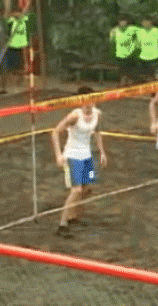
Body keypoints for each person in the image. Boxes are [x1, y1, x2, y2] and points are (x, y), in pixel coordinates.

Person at [52, 86, 107, 237]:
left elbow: (97, 132)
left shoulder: (97, 114)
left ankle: (74, 217)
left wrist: (102, 152)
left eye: (91, 100)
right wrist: (59, 155)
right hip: (72, 156)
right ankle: (62, 225)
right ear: (80, 101)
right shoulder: (74, 116)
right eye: (85, 101)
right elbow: (55, 132)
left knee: (87, 189)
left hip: (86, 156)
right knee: (76, 190)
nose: (89, 103)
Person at [109, 14, 138, 86]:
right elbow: (112, 42)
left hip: (130, 53)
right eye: (121, 21)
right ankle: (122, 83)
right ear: (118, 22)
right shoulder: (114, 30)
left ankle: (130, 83)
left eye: (124, 21)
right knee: (122, 70)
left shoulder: (132, 29)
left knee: (130, 70)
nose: (123, 23)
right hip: (120, 54)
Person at [6, 10, 32, 90]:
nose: (17, 14)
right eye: (15, 13)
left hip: (22, 45)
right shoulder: (11, 20)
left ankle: (20, 83)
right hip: (12, 46)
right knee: (12, 68)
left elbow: (28, 12)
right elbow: (7, 15)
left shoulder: (24, 19)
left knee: (21, 66)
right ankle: (14, 84)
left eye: (18, 13)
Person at [136, 16, 158, 81]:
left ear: (151, 22)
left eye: (147, 21)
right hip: (143, 60)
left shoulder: (157, 31)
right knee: (145, 79)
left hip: (155, 59)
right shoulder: (139, 32)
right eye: (143, 22)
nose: (145, 23)